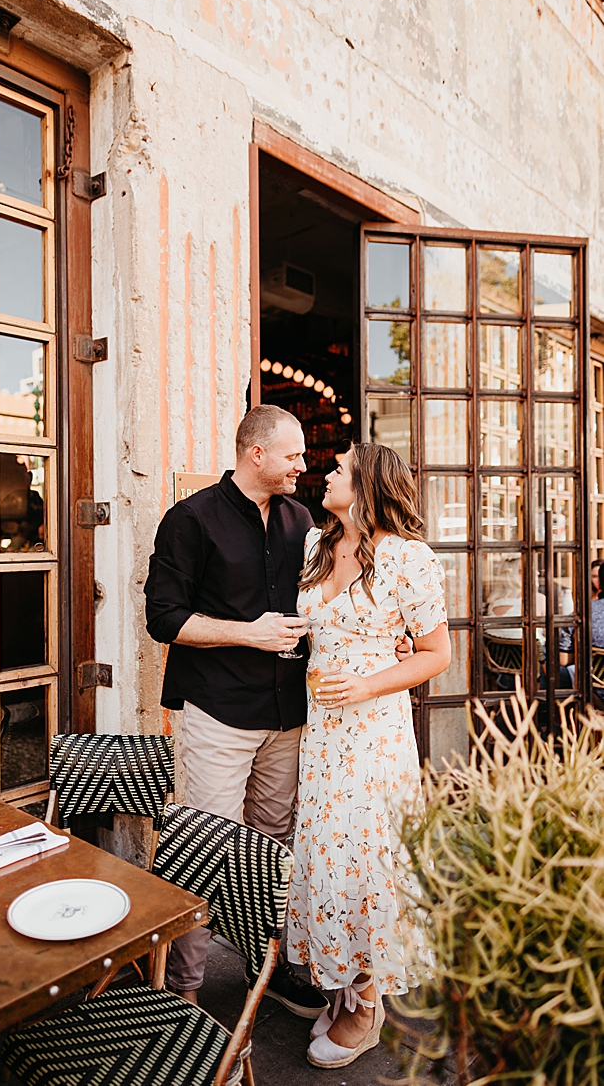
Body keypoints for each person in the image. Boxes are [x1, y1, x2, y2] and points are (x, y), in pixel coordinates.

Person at [143, 404, 327, 1018]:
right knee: (198, 852)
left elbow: (328, 602)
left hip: (288, 714)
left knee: (271, 847)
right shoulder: (190, 519)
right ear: (256, 454)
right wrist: (249, 633)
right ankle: (182, 987)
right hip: (218, 713)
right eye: (293, 455)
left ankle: (263, 970)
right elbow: (163, 619)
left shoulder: (302, 519)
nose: (303, 465)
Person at [288, 442, 450, 1068]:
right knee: (328, 857)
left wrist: (365, 684)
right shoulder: (317, 545)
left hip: (375, 735)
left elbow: (435, 655)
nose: (326, 474)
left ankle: (367, 1004)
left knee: (368, 862)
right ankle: (343, 981)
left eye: (338, 469)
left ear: (365, 487)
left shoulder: (409, 559)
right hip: (322, 734)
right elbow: (322, 629)